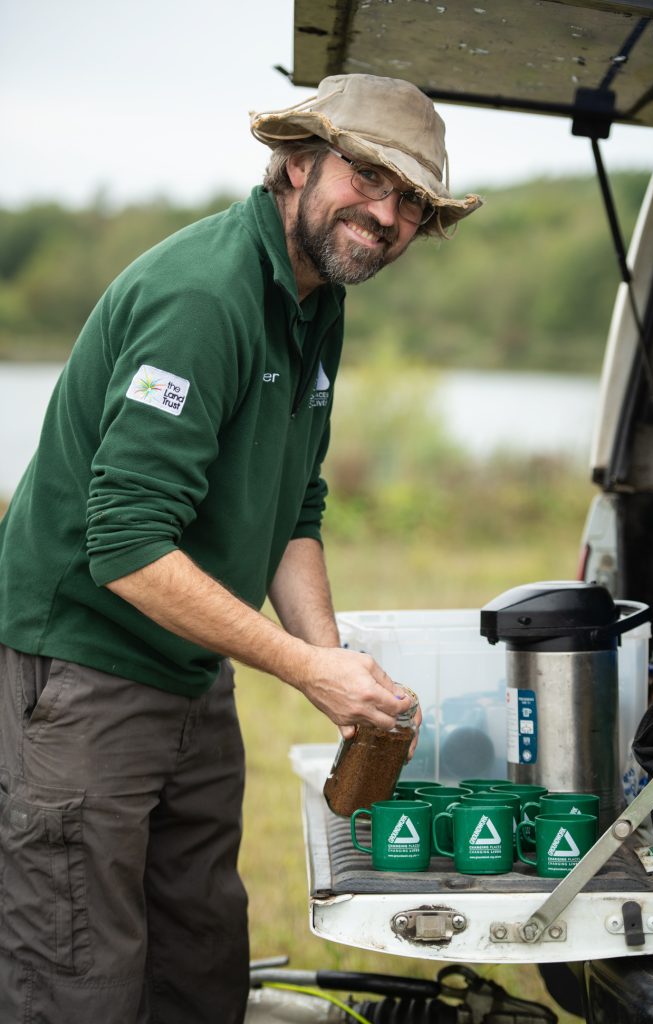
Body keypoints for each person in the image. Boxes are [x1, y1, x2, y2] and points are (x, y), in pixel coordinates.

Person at [0, 73, 481, 1023]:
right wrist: (305, 667)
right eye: (368, 178)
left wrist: (333, 665)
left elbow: (290, 510)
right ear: (297, 162)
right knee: (78, 980)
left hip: (190, 673)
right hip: (81, 673)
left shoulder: (316, 302)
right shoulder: (202, 297)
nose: (385, 216)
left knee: (201, 965)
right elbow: (128, 547)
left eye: (411, 204)